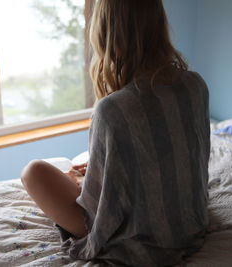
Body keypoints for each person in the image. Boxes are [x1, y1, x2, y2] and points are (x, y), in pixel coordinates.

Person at [21, 0, 210, 265]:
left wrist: (80, 183)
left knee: (34, 172)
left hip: (142, 241)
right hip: (192, 225)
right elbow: (190, 158)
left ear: (105, 33)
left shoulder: (112, 110)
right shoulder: (196, 86)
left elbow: (101, 212)